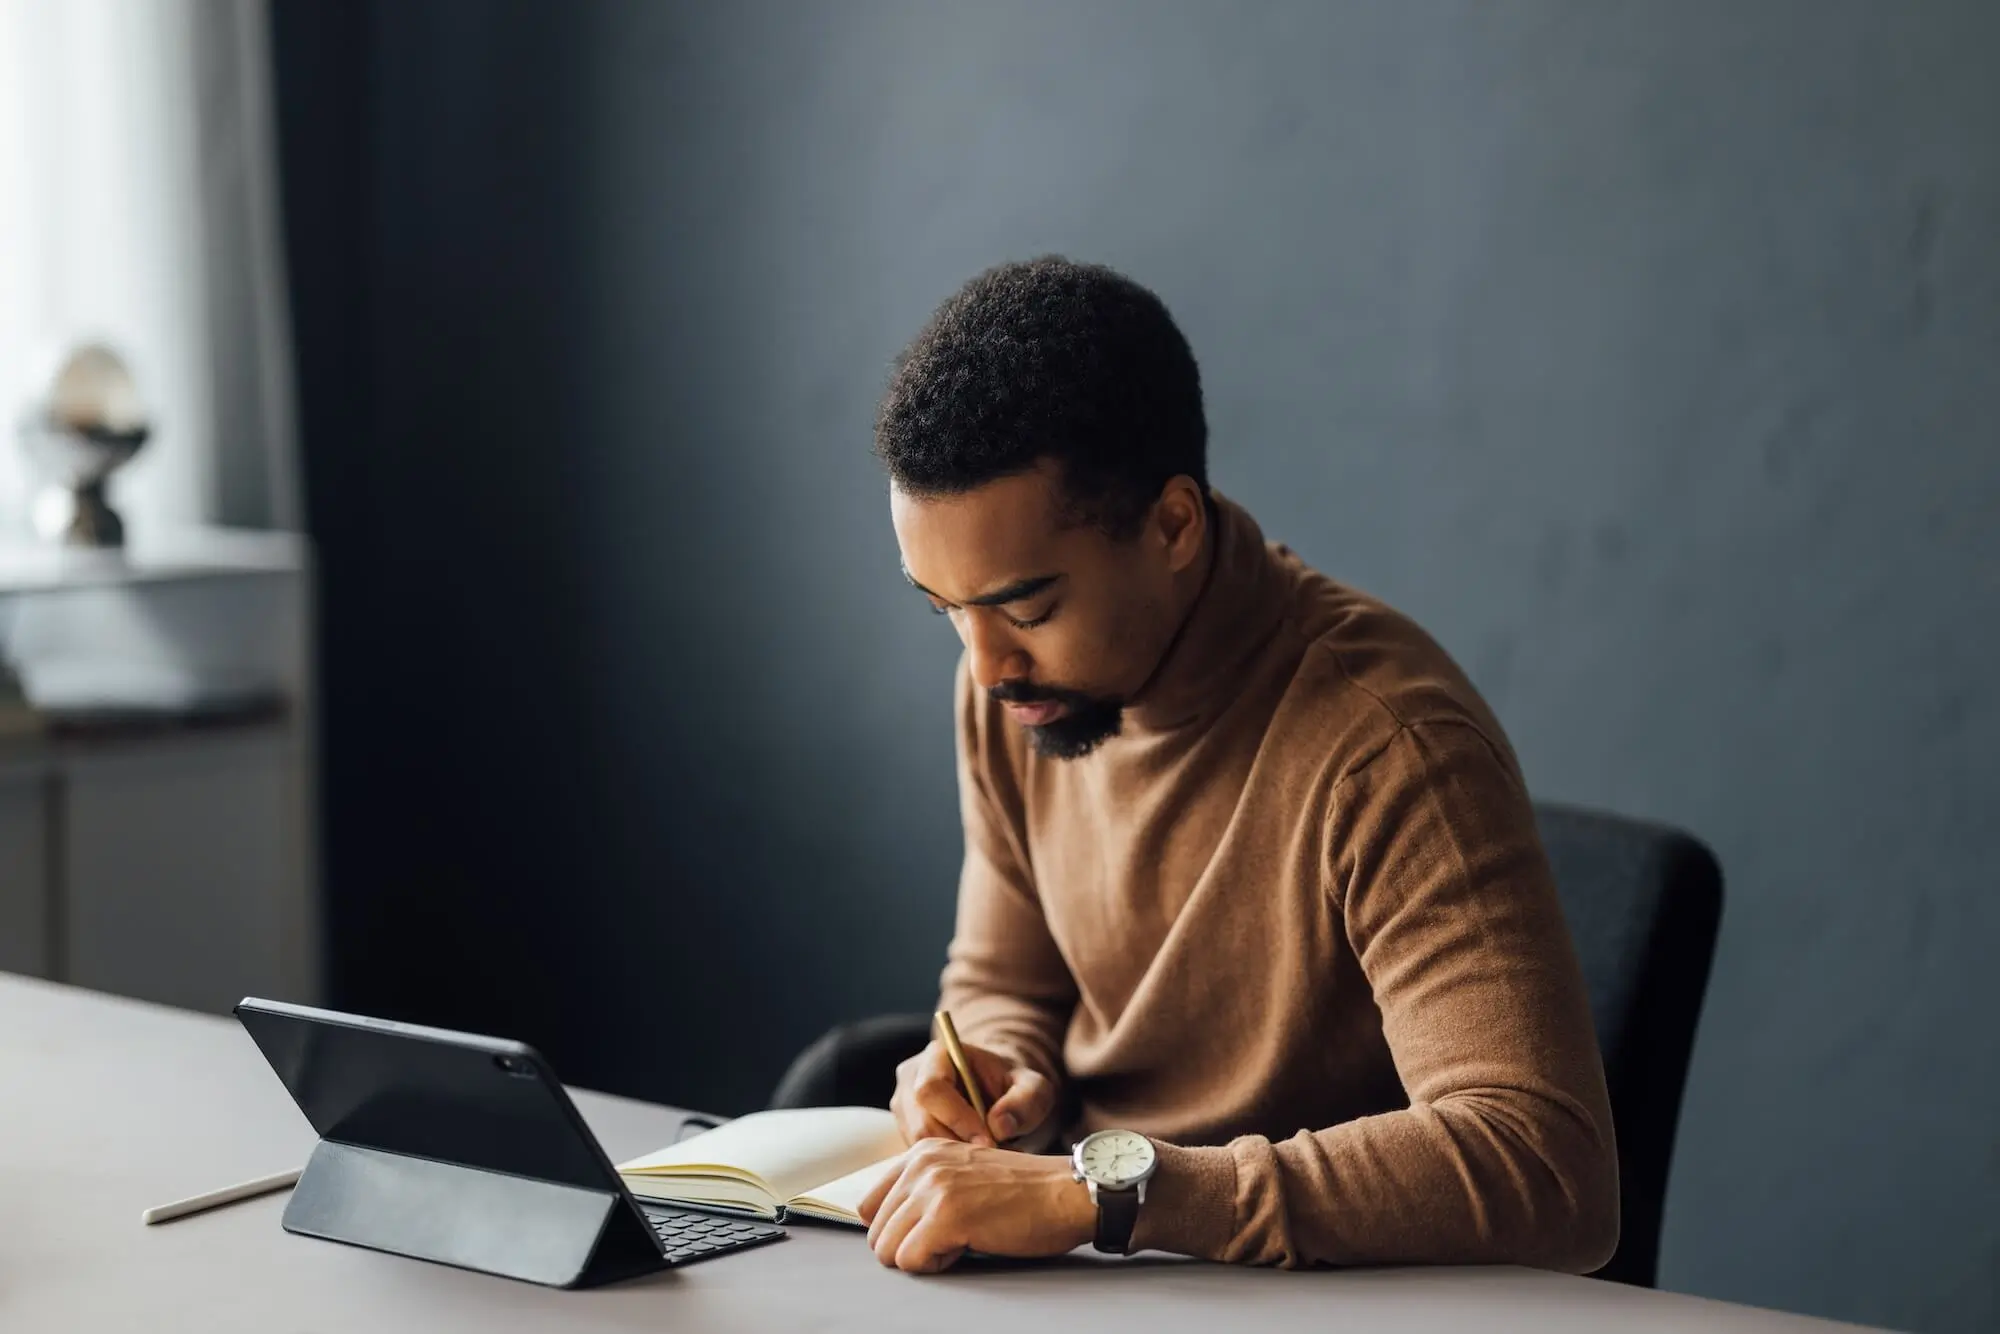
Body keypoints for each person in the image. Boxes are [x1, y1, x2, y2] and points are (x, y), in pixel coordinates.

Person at [852, 256, 1619, 1276]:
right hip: (1101, 1267)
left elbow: (1546, 1165)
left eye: (1026, 607)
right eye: (944, 608)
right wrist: (993, 1068)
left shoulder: (1386, 746)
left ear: (1173, 525)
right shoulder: (1016, 686)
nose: (982, 664)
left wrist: (1109, 1190)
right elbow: (1003, 978)